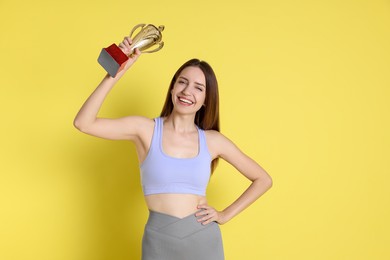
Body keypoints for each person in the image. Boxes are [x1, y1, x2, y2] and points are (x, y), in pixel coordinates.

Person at [74, 36, 273, 260]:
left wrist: (225, 215)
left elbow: (263, 179)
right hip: (158, 240)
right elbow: (83, 123)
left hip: (203, 240)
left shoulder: (213, 140)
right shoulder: (145, 129)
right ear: (172, 88)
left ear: (206, 99)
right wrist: (117, 71)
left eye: (199, 88)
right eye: (182, 82)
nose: (187, 91)